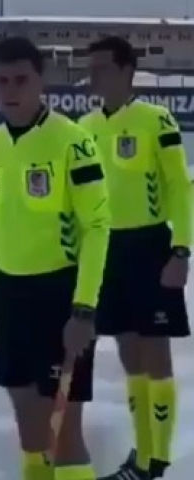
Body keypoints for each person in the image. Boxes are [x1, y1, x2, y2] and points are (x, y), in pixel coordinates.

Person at [0, 36, 111, 480]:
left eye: (20, 80)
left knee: (62, 430)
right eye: (0, 81)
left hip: (60, 297)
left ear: (40, 80)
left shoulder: (74, 142)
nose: (10, 90)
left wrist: (83, 310)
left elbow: (98, 228)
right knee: (29, 427)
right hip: (11, 296)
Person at [79, 36, 191, 480]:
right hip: (107, 250)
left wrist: (181, 250)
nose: (95, 77)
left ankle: (155, 460)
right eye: (92, 69)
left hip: (148, 247)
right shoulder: (84, 127)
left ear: (127, 71)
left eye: (104, 68)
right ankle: (142, 454)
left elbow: (181, 189)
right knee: (127, 350)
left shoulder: (155, 120)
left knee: (154, 352)